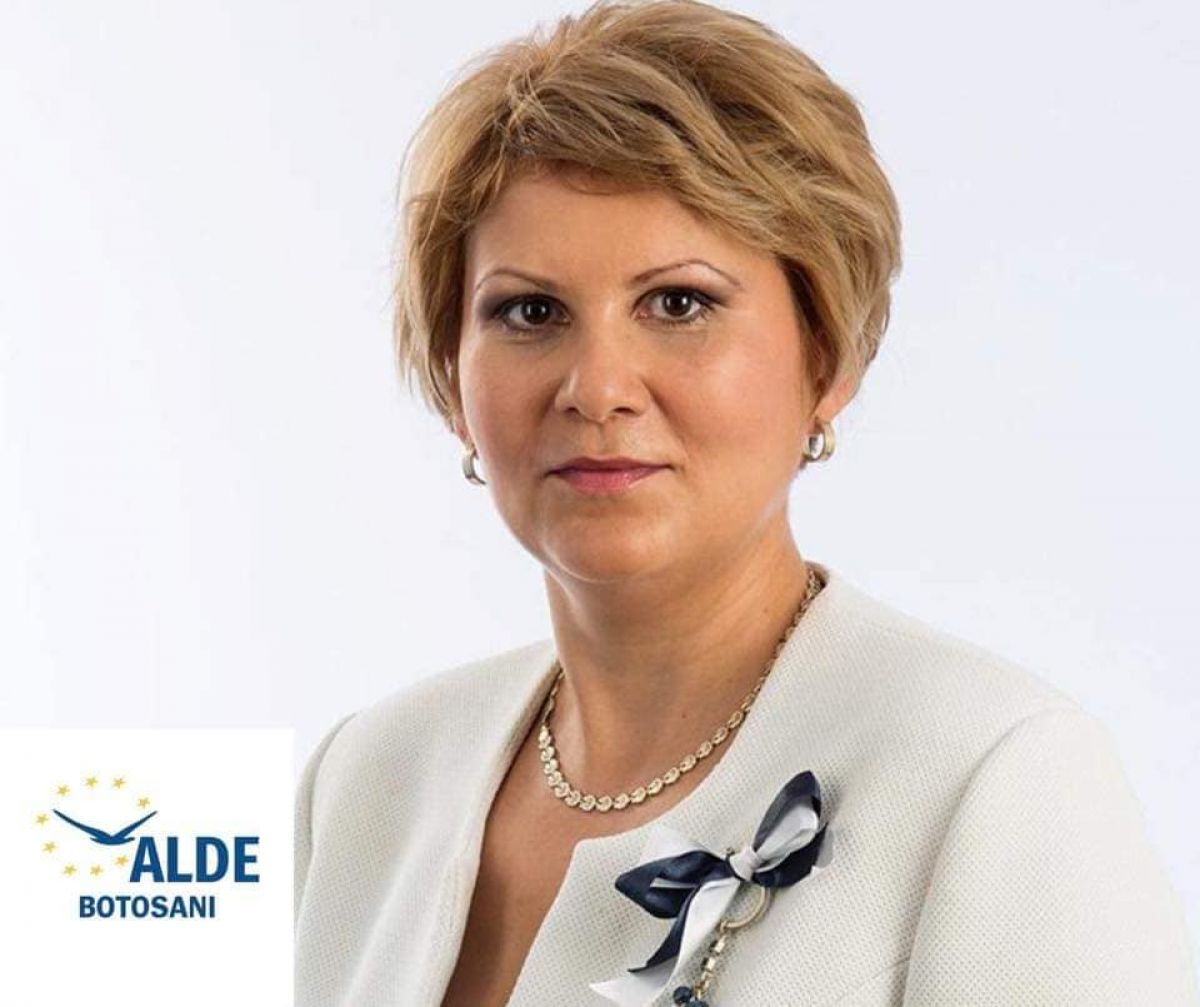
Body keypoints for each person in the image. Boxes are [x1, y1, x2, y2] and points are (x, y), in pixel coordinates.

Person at [293, 1, 1198, 1004]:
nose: (598, 387)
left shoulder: (993, 776)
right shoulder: (363, 780)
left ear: (826, 355)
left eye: (678, 303)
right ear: (451, 379)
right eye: (529, 310)